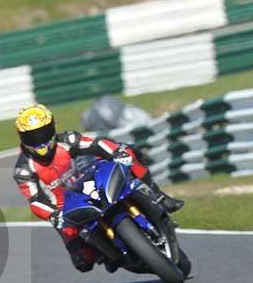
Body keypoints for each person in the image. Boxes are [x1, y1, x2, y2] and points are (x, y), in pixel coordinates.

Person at [12, 103, 184, 273]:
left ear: (53, 128)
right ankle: (107, 253)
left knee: (128, 152)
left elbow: (98, 144)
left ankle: (159, 195)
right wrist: (53, 214)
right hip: (66, 209)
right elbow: (35, 200)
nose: (40, 141)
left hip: (93, 180)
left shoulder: (68, 140)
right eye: (32, 137)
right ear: (22, 138)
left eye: (43, 133)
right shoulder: (24, 169)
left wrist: (117, 153)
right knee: (83, 261)